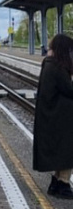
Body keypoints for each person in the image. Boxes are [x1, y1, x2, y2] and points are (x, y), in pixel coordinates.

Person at [33, 34, 73, 199]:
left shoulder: (49, 64)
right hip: (61, 118)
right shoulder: (57, 68)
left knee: (62, 151)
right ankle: (63, 184)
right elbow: (69, 90)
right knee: (68, 151)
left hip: (55, 116)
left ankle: (57, 182)